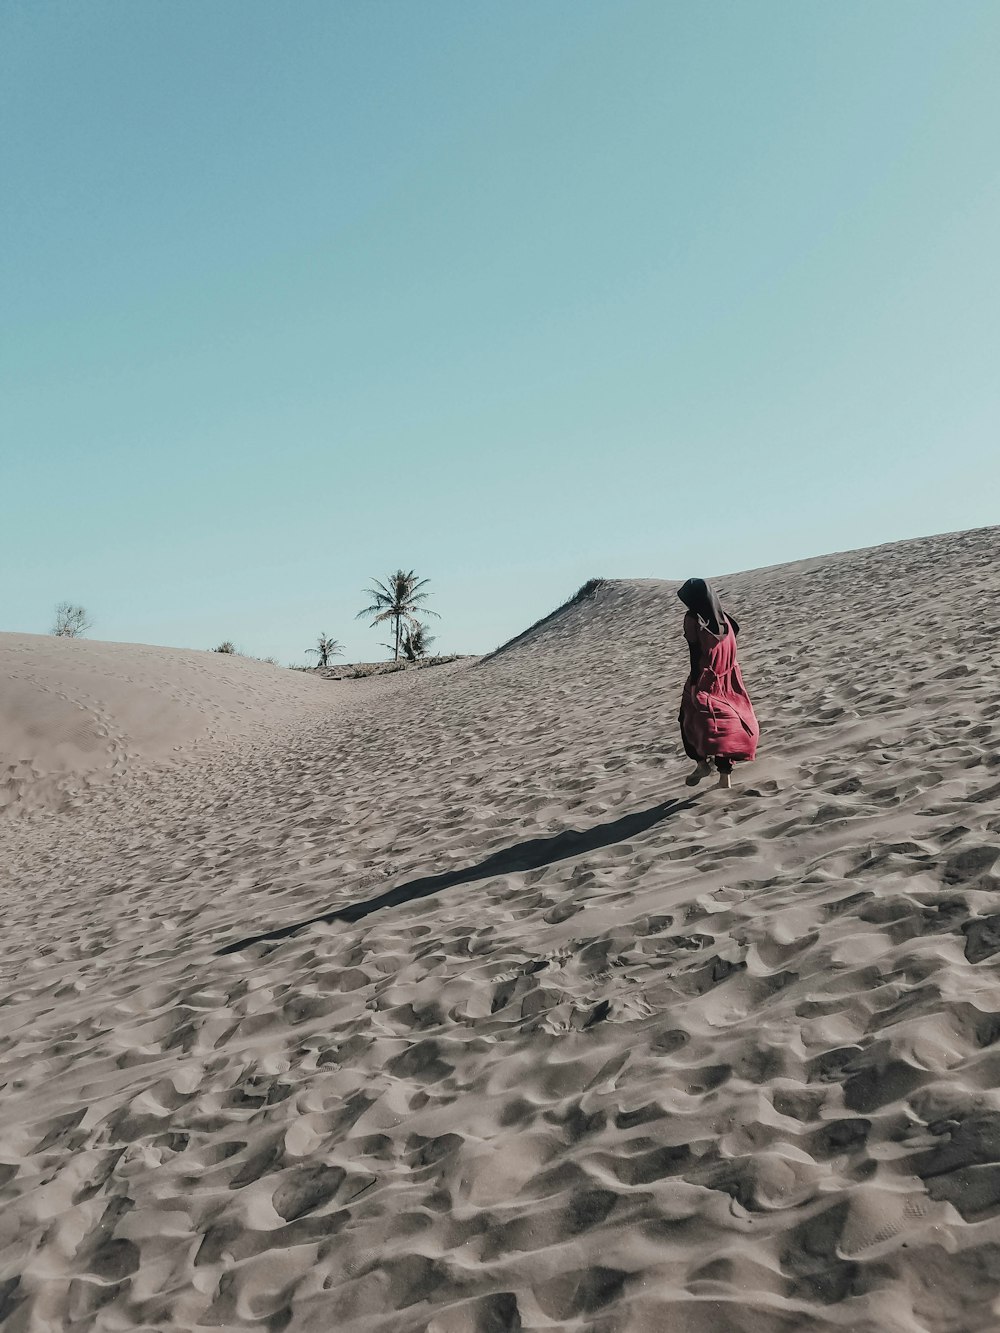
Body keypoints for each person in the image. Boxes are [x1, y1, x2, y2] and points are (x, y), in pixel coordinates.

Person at [677, 578, 759, 789]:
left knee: (687, 719)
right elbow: (736, 631)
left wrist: (695, 684)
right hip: (729, 676)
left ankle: (702, 763)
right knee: (724, 723)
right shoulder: (725, 619)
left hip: (705, 677)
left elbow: (694, 654)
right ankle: (725, 777)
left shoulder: (693, 619)